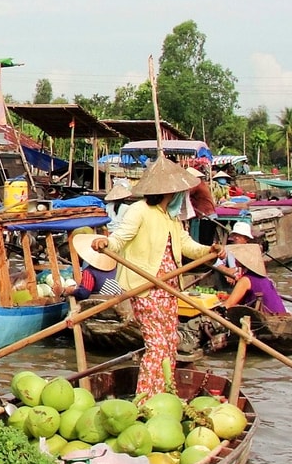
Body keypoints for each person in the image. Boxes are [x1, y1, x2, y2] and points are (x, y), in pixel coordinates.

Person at [91, 157, 222, 397]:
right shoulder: (139, 210)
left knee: (170, 343)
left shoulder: (171, 217)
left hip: (169, 288)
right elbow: (120, 238)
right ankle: (146, 398)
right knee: (157, 345)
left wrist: (209, 251)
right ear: (169, 192)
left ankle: (164, 393)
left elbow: (187, 246)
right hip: (146, 286)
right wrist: (105, 242)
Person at [223, 244, 288, 315]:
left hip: (268, 318)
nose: (235, 259)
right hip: (282, 314)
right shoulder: (265, 278)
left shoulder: (245, 280)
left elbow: (227, 305)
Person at [69, 233, 122, 300]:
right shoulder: (114, 268)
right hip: (120, 299)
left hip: (104, 303)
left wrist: (71, 291)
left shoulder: (90, 272)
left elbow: (84, 293)